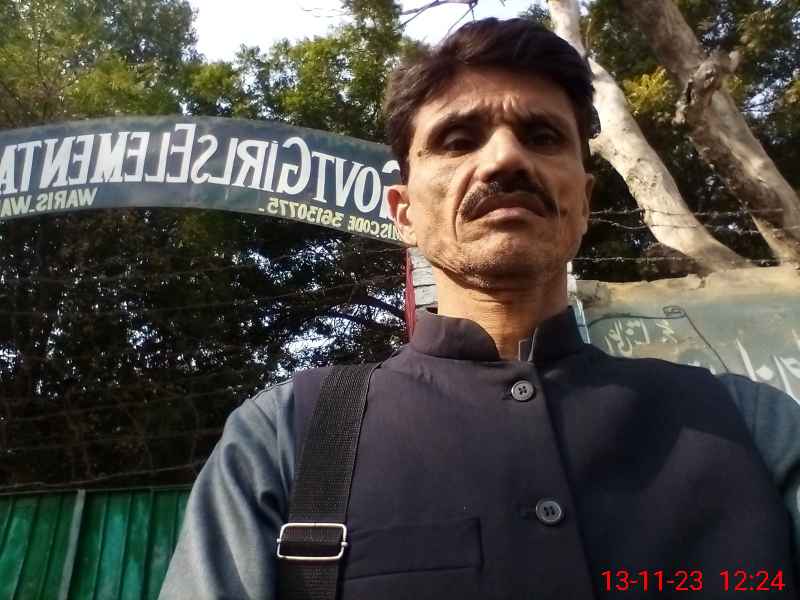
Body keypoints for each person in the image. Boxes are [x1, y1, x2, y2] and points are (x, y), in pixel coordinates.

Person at [160, 18, 800, 599]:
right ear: (404, 212)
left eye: (542, 136)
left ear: (583, 202)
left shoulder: (754, 425)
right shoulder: (285, 438)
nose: (506, 158)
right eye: (458, 139)